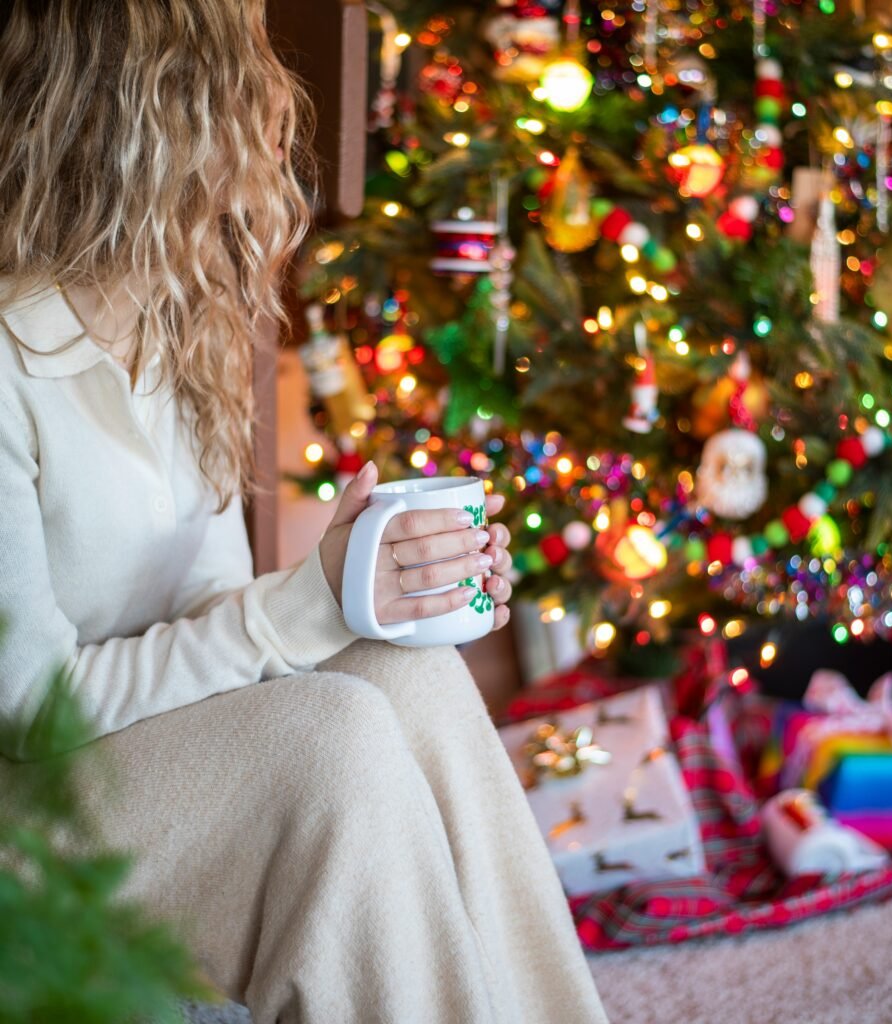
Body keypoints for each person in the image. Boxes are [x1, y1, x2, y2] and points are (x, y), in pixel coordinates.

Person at [0, 2, 608, 1022]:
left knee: (404, 675)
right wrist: (300, 608)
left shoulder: (169, 329)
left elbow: (209, 613)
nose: (269, 153)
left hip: (128, 767)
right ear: (148, 130)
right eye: (242, 111)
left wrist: (368, 585)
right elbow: (33, 713)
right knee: (327, 744)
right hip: (31, 810)